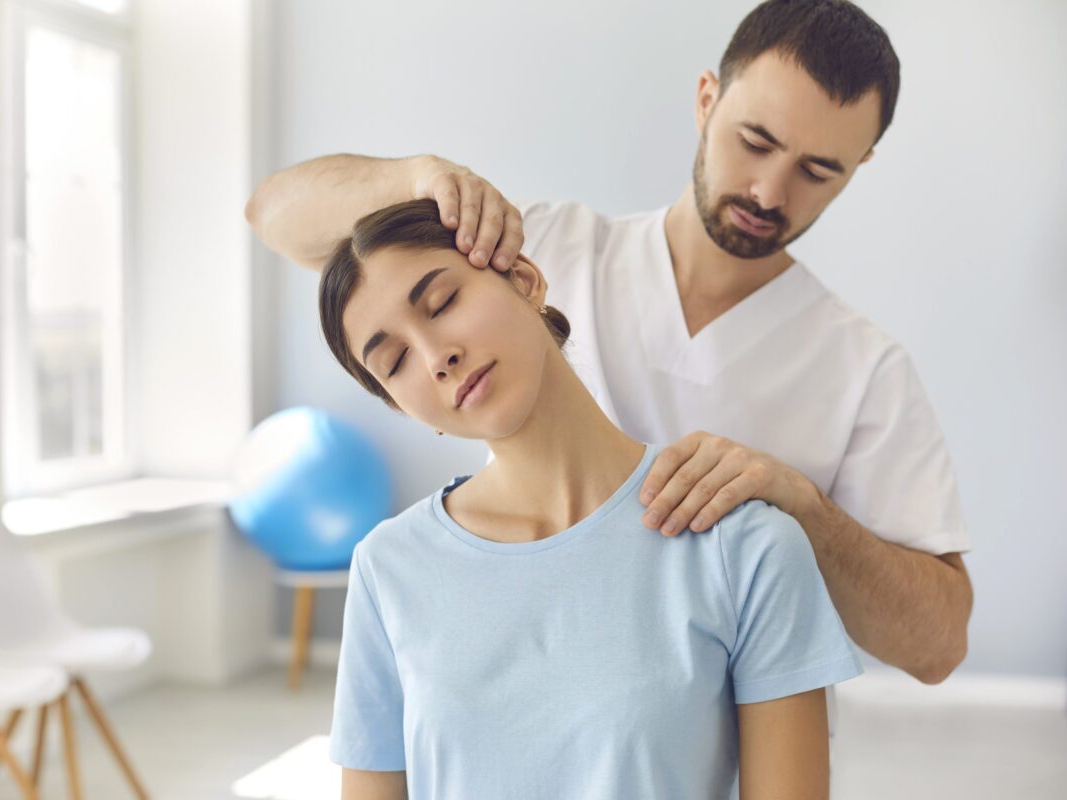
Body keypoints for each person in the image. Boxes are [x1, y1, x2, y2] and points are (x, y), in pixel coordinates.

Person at [245, 0, 973, 695]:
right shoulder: (541, 247)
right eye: (755, 141)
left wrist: (802, 509)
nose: (768, 191)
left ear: (861, 165)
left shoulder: (864, 369)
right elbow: (275, 214)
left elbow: (938, 646)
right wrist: (417, 178)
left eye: (818, 171)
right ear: (706, 99)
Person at [321, 198, 861, 799]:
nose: (435, 358)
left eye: (444, 303)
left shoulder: (744, 547)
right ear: (404, 408)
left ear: (524, 280)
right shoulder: (387, 569)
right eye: (395, 363)